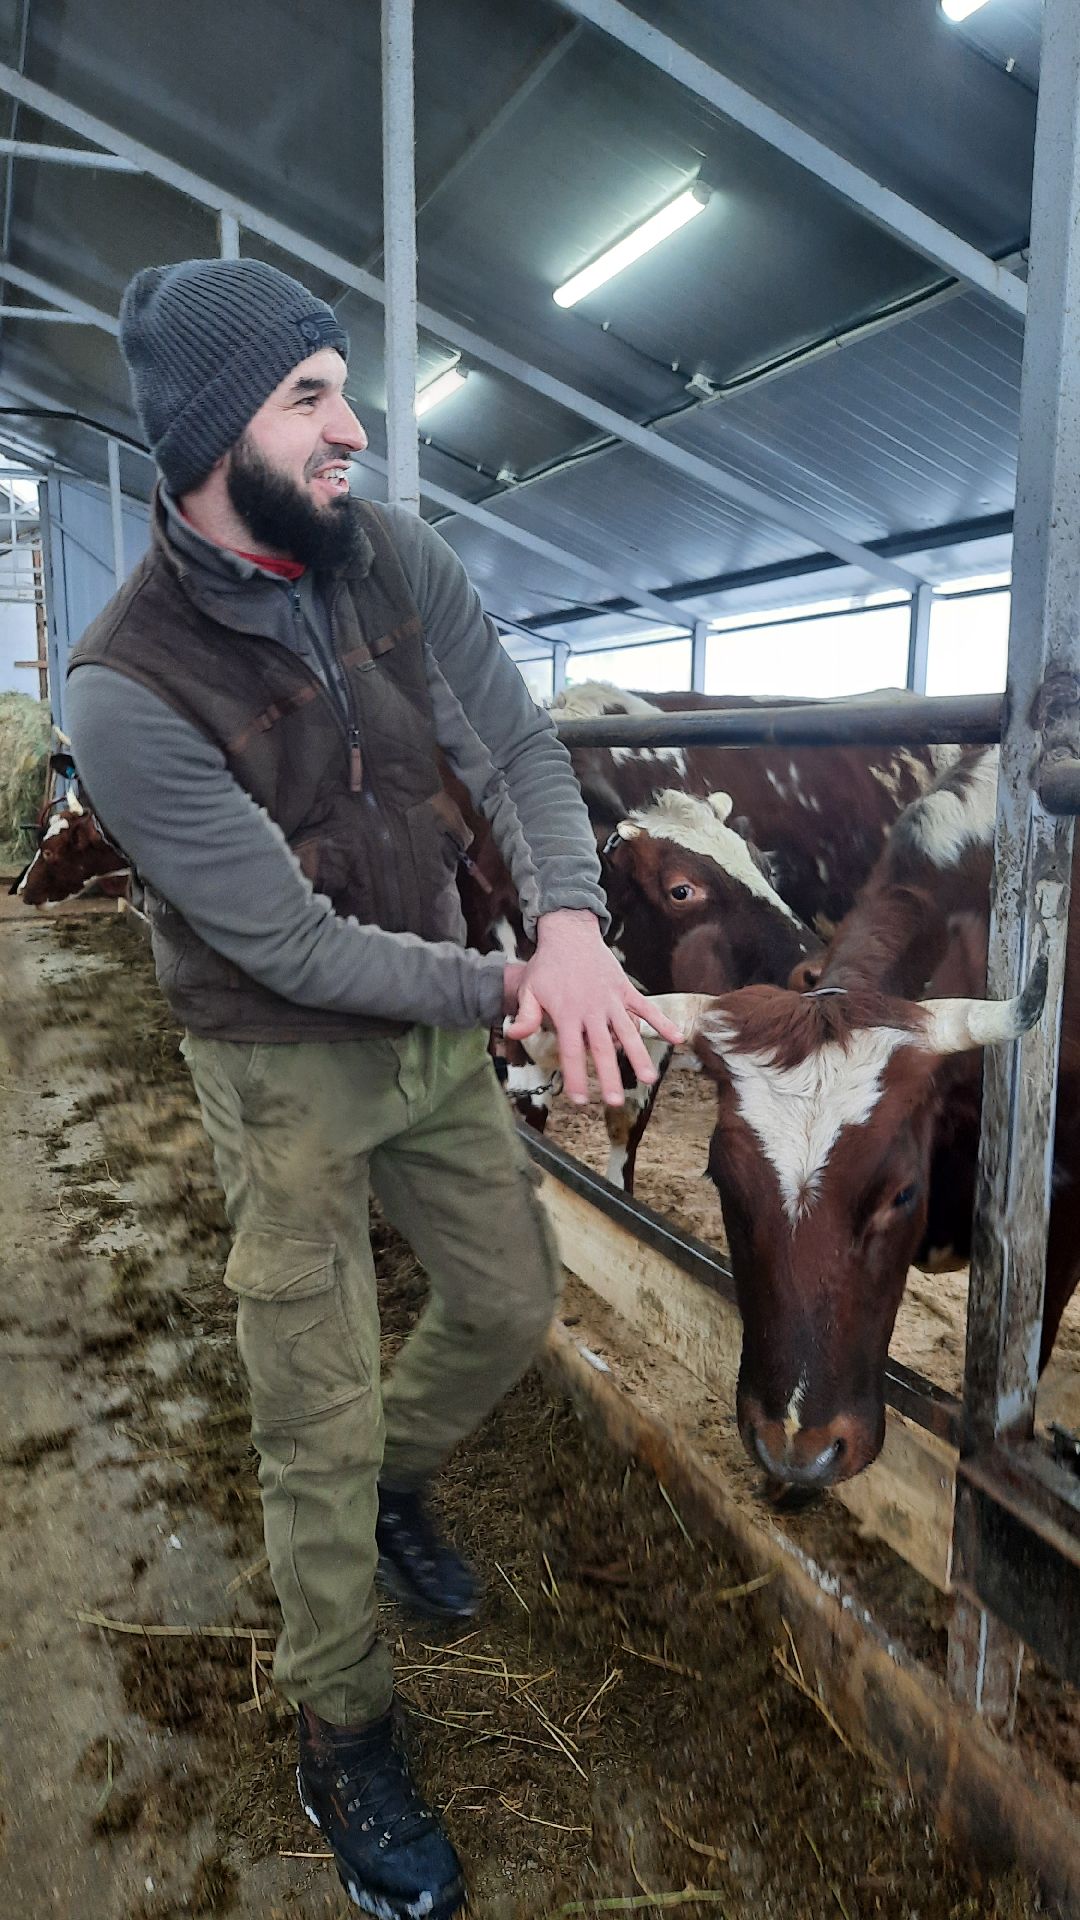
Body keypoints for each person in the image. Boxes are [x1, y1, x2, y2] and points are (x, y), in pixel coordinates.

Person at [67, 257, 682, 1920]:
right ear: (212, 439)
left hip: (428, 1025)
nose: (357, 426)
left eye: (345, 386)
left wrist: (566, 916)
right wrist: (513, 988)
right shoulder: (120, 686)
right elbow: (281, 940)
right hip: (280, 1067)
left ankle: (395, 1475)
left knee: (507, 1298)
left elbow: (514, 743)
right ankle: (342, 1728)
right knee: (310, 1410)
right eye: (310, 398)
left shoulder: (389, 559)